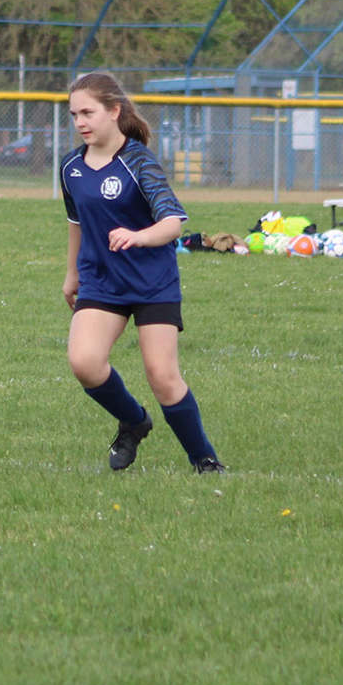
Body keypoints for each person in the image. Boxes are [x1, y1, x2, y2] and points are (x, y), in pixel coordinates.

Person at [60, 72, 225, 474]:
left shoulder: (138, 161)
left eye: (88, 112)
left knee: (162, 376)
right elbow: (76, 222)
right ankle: (134, 421)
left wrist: (139, 236)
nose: (80, 122)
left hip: (152, 282)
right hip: (101, 280)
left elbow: (173, 222)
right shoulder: (71, 167)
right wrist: (71, 274)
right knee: (84, 362)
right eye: (74, 114)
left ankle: (204, 460)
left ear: (114, 111)